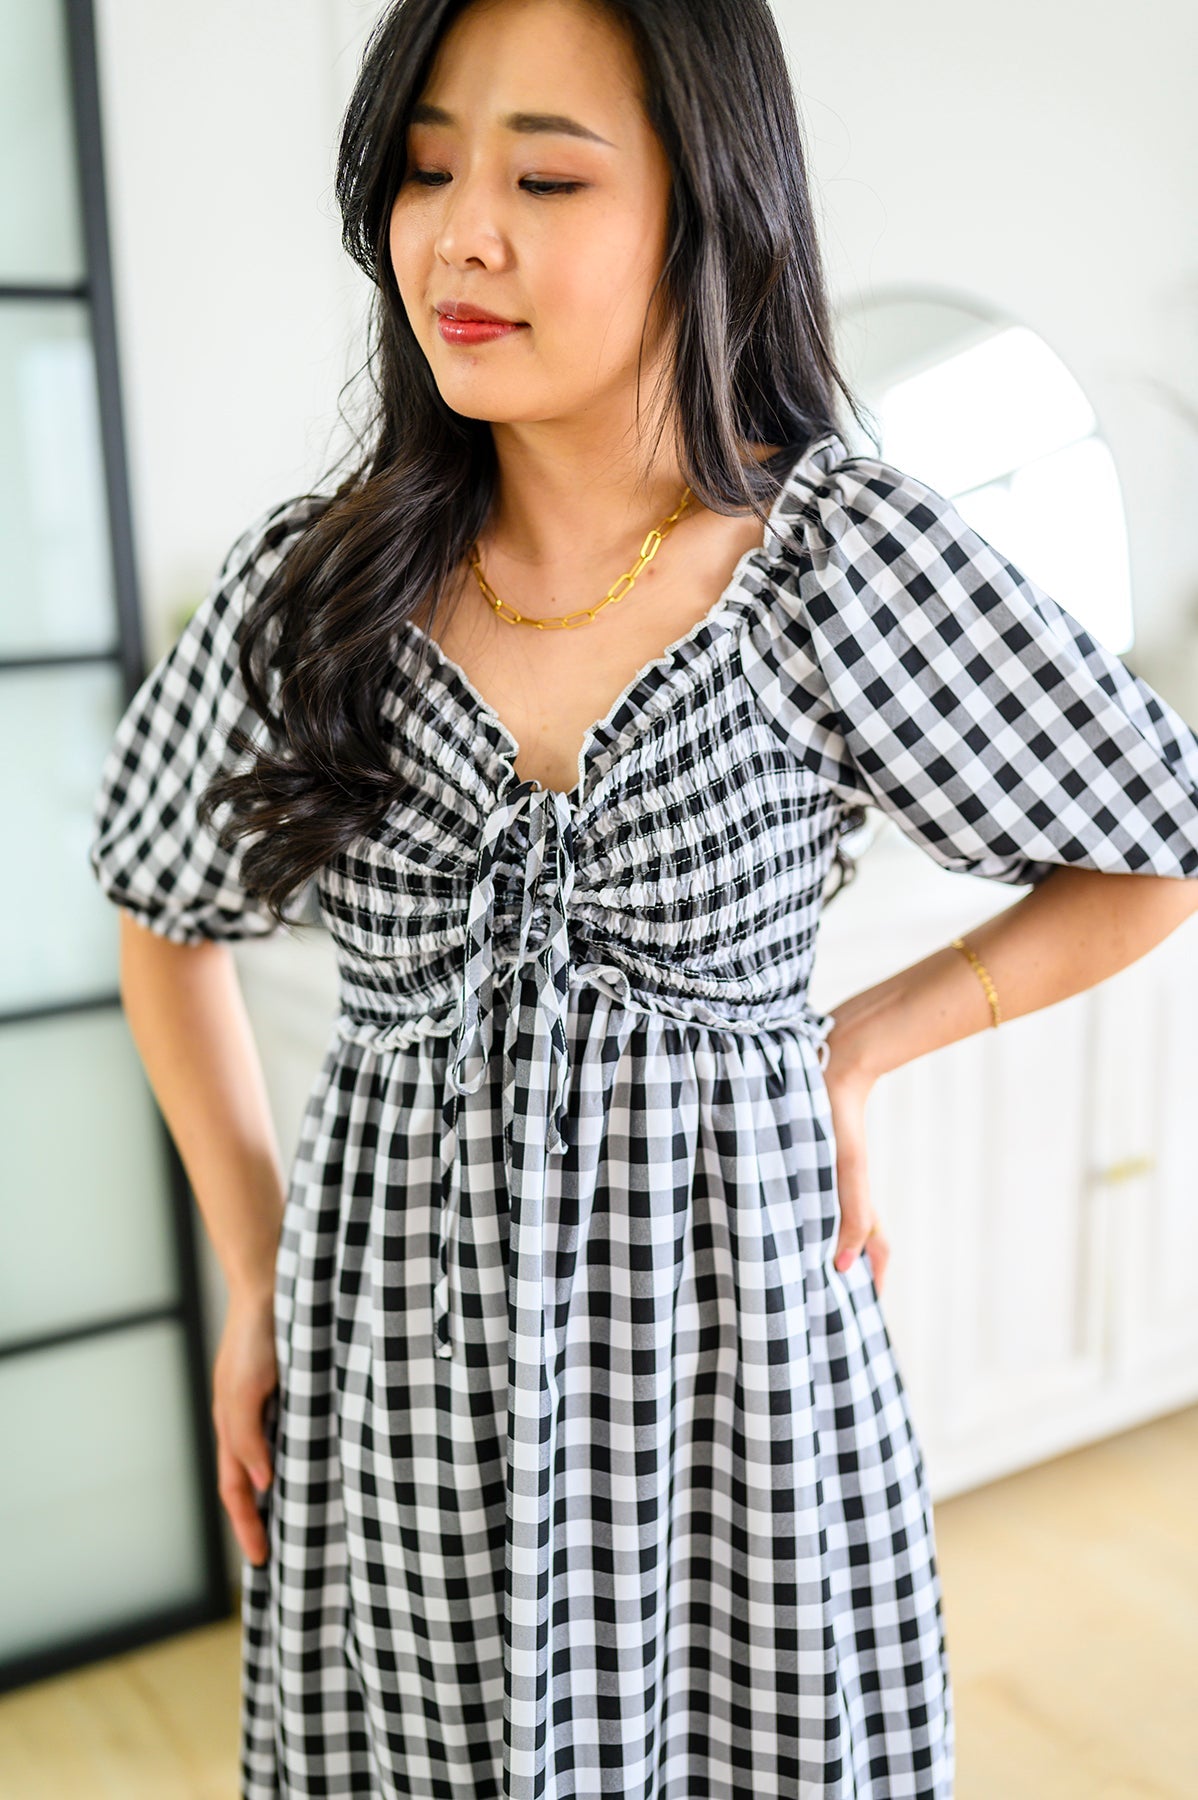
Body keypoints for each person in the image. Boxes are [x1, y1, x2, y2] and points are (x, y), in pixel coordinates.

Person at [89, 0, 1198, 1794]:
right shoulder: (317, 595)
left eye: (542, 172)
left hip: (735, 1406)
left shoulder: (839, 564)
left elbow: (1152, 843)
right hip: (398, 1412)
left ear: (707, 205)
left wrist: (856, 1044)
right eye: (427, 166)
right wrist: (254, 1261)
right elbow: (162, 902)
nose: (460, 231)